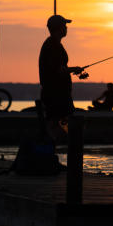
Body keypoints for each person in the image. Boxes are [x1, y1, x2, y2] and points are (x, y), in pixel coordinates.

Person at [38, 14, 85, 144]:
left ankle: (55, 150)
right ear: (58, 28)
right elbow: (58, 70)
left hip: (59, 94)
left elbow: (58, 69)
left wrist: (71, 70)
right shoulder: (53, 45)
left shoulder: (53, 44)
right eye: (64, 26)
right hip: (56, 95)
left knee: (62, 124)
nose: (66, 28)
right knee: (58, 125)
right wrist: (74, 69)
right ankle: (52, 149)